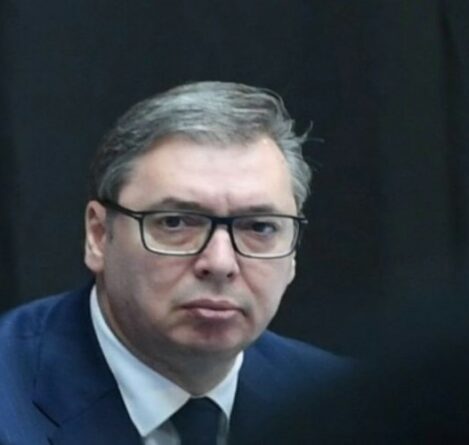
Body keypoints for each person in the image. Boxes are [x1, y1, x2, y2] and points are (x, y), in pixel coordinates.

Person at [0, 81, 350, 445]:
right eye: (175, 223)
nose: (220, 263)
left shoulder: (344, 409)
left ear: (293, 252)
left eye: (259, 227)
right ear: (99, 236)